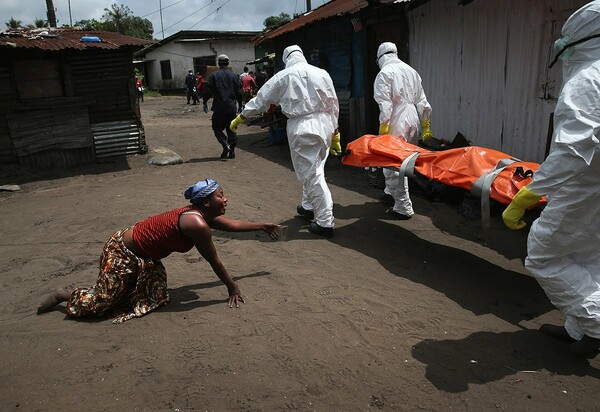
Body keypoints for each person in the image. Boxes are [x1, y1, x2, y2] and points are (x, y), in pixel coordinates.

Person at [36, 178, 280, 323]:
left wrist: (263, 225)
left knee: (153, 297)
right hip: (122, 251)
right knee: (101, 304)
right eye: (220, 196)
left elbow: (233, 225)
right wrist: (232, 286)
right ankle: (64, 295)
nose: (225, 200)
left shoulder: (201, 214)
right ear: (206, 202)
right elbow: (213, 260)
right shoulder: (197, 223)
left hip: (146, 256)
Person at [502, 1, 600, 356]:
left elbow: (573, 152)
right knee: (588, 257)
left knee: (544, 255)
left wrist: (529, 193)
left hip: (584, 187)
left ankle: (596, 323)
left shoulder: (588, 80)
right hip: (594, 187)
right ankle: (581, 331)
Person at [229, 45, 341, 238]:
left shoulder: (284, 76)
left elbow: (262, 99)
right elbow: (333, 103)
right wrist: (336, 132)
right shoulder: (322, 73)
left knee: (312, 174)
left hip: (303, 127)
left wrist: (242, 116)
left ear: (286, 58)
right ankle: (308, 206)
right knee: (315, 168)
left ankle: (325, 221)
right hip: (325, 125)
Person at [373, 42, 433, 220]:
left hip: (396, 119)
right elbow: (423, 101)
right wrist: (426, 126)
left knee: (392, 164)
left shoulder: (384, 73)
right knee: (405, 160)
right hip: (413, 117)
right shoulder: (412, 71)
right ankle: (389, 193)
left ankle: (403, 207)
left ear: (381, 57)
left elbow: (385, 105)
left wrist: (383, 129)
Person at [202, 55, 243, 159]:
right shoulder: (234, 76)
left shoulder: (214, 76)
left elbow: (208, 91)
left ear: (218, 64)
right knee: (232, 129)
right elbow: (239, 92)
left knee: (216, 128)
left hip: (219, 108)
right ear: (228, 63)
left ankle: (224, 143)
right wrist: (240, 104)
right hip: (231, 108)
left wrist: (205, 102)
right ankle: (232, 151)